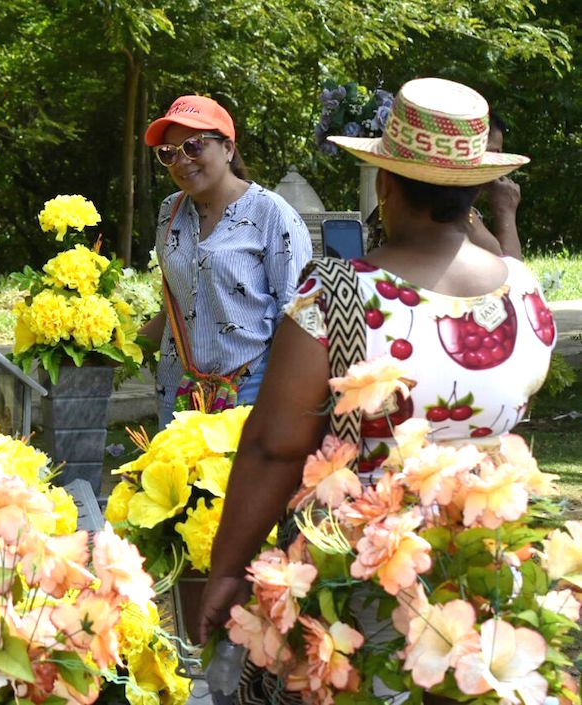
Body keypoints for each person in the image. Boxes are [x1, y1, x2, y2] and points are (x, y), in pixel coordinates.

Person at [196, 76, 552, 653]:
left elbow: (274, 448)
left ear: (384, 183)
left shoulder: (336, 295)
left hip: (363, 585)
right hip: (481, 576)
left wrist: (229, 569)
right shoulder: (524, 292)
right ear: (474, 189)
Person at [140, 95, 313, 429]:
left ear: (228, 149)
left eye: (193, 146)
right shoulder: (170, 212)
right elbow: (179, 307)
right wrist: (111, 350)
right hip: (179, 393)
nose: (181, 161)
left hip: (250, 393)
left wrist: (288, 405)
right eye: (168, 153)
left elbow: (297, 318)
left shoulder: (272, 214)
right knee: (172, 483)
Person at [467, 111, 523, 257]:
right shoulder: (454, 213)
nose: (498, 164)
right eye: (493, 153)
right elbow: (512, 273)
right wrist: (506, 212)